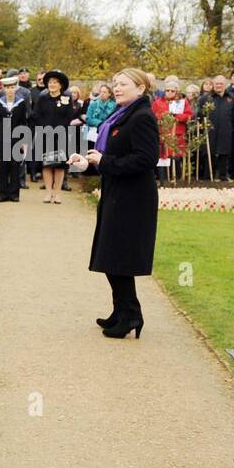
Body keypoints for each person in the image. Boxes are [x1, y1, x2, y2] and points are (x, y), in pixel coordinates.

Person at [73, 68, 159, 339]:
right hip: (117, 192)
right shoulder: (120, 115)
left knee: (119, 256)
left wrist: (104, 161)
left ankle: (131, 314)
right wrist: (88, 162)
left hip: (133, 198)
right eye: (115, 83)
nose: (117, 88)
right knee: (111, 255)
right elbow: (109, 156)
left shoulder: (142, 117)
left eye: (123, 84)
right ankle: (121, 311)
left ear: (140, 89)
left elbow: (146, 159)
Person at [31, 70, 77, 203]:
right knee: (47, 165)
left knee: (59, 166)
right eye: (50, 82)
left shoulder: (67, 99)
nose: (52, 84)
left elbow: (69, 117)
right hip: (45, 136)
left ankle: (57, 194)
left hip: (60, 136)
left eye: (55, 82)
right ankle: (48, 193)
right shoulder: (42, 99)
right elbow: (36, 115)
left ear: (60, 85)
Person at [0, 75, 28, 202]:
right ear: (4, 89)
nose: (10, 90)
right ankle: (2, 194)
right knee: (3, 166)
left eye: (12, 87)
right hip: (2, 137)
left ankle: (14, 194)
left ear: (16, 88)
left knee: (14, 166)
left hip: (16, 137)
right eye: (7, 88)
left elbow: (24, 122)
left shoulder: (21, 102)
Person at [150, 75, 192, 181]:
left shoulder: (182, 103)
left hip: (177, 135)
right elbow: (151, 116)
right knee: (162, 158)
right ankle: (163, 180)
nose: (169, 92)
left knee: (176, 158)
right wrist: (163, 116)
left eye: (172, 91)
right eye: (167, 90)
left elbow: (189, 116)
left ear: (176, 92)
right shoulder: (157, 102)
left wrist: (176, 116)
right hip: (162, 135)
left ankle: (176, 179)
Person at [204, 75, 233, 181]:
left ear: (225, 85)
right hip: (210, 131)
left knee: (224, 154)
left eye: (221, 83)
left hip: (225, 131)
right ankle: (207, 178)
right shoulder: (206, 98)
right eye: (217, 83)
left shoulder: (231, 99)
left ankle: (223, 176)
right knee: (209, 153)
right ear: (213, 85)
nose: (219, 85)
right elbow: (200, 115)